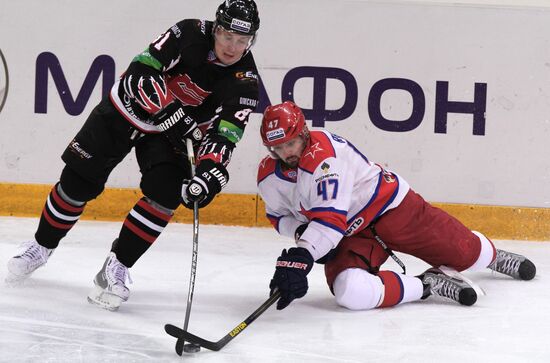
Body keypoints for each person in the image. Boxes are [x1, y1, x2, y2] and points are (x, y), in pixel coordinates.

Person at [6, 0, 261, 311]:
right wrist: (170, 109)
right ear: (216, 28)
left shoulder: (245, 81)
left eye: (242, 41)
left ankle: (117, 266)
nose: (233, 47)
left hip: (171, 137)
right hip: (126, 110)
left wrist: (211, 173)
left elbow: (226, 134)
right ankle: (41, 245)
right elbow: (139, 71)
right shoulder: (188, 32)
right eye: (227, 37)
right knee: (77, 183)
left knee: (166, 195)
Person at [257, 101, 536, 311]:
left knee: (469, 255)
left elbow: (330, 221)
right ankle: (427, 285)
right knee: (350, 293)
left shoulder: (326, 158)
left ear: (304, 133)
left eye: (291, 143)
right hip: (352, 237)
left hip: (393, 210)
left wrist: (303, 254)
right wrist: (301, 232)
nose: (287, 153)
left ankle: (492, 257)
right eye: (278, 148)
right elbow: (277, 216)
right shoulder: (269, 176)